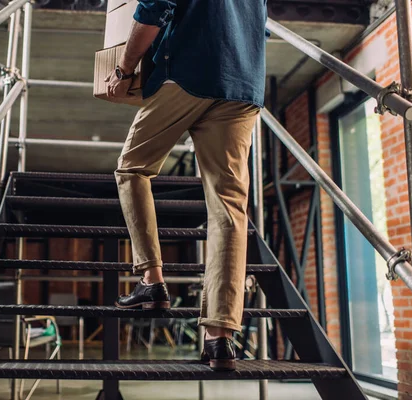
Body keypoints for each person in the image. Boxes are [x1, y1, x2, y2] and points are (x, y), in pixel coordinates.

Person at [105, 0, 268, 371]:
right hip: (244, 86)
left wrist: (124, 68)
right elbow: (258, 29)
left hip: (189, 74)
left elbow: (153, 7)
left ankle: (151, 279)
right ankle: (220, 337)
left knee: (133, 168)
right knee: (229, 208)